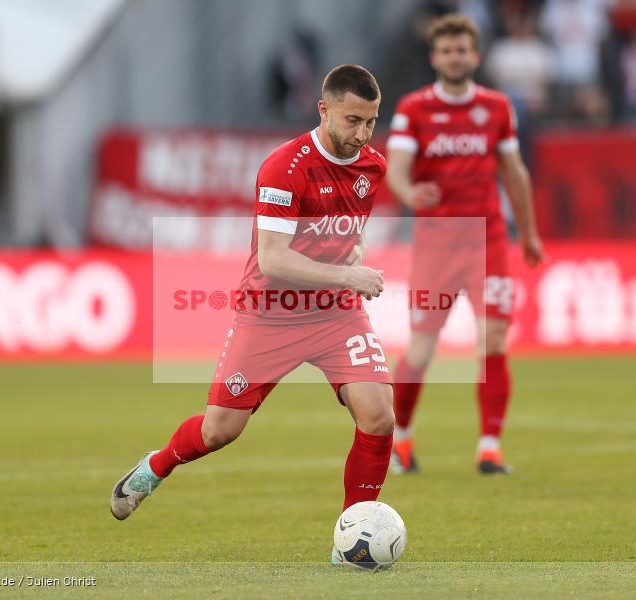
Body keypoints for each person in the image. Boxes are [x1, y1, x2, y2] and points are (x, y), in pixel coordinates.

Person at [111, 65, 394, 564]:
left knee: (378, 414)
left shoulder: (371, 166)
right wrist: (352, 276)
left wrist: (354, 251)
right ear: (324, 109)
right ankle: (154, 467)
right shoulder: (285, 167)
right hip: (272, 315)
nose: (363, 134)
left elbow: (352, 224)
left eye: (371, 122)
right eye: (353, 121)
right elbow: (274, 259)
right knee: (220, 430)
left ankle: (352, 540)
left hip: (335, 314)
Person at [385, 14, 545, 476]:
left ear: (475, 56)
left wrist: (530, 233)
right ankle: (403, 440)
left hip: (487, 239)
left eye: (462, 50)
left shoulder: (496, 107)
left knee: (493, 338)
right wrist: (408, 192)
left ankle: (490, 447)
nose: (455, 57)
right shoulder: (414, 108)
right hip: (435, 243)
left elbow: (514, 173)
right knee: (421, 349)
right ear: (435, 57)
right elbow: (396, 165)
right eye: (447, 50)